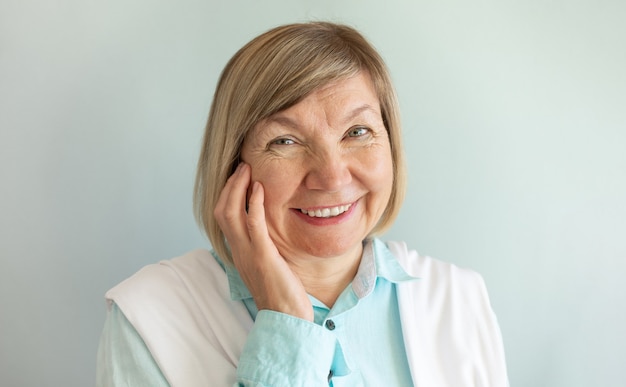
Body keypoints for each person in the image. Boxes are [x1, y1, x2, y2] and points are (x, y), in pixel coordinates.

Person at [96, 22, 509, 386]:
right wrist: (287, 327)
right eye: (285, 141)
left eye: (358, 131)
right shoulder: (149, 316)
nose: (331, 177)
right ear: (233, 167)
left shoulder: (459, 299)